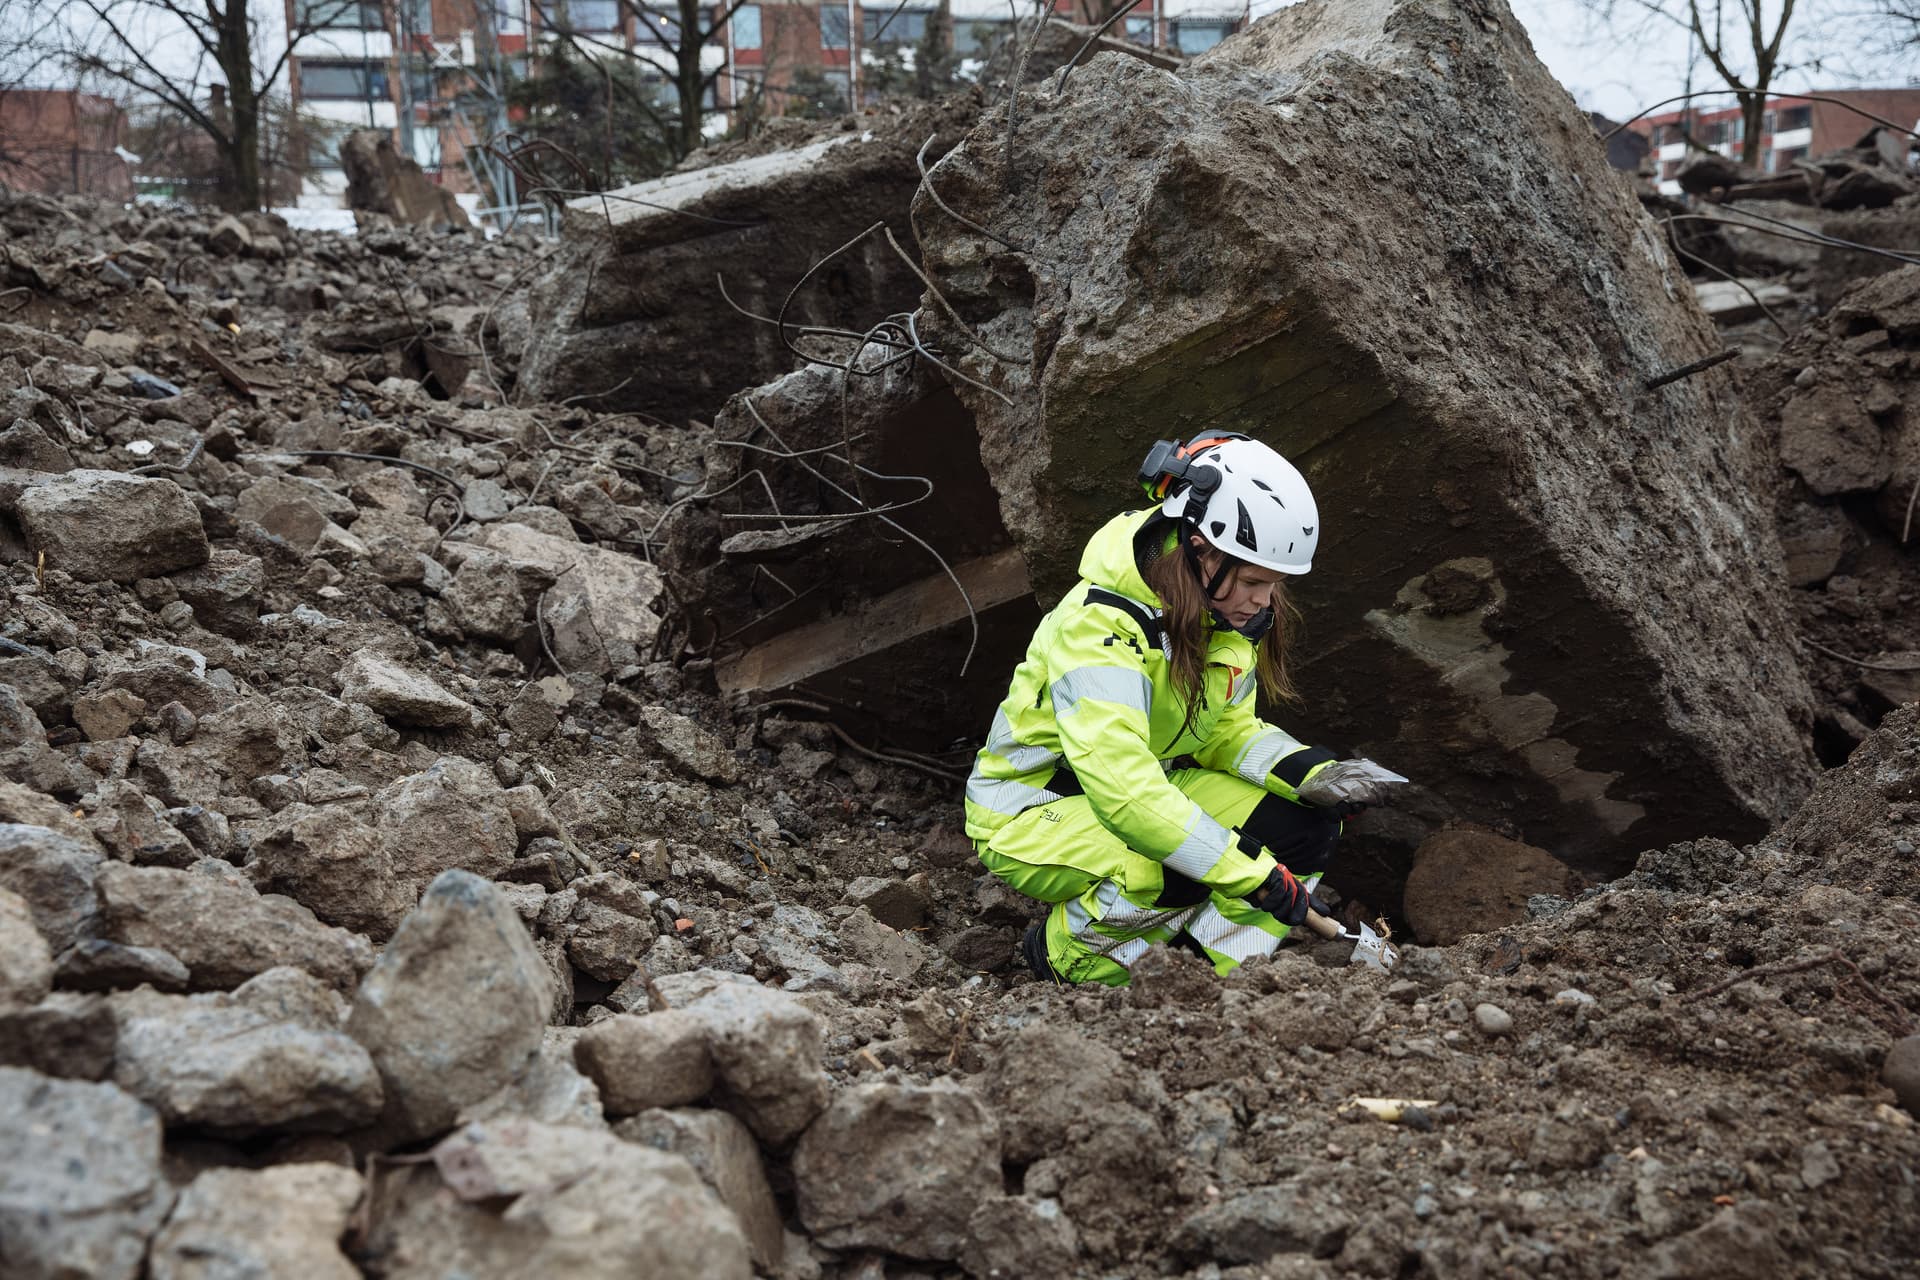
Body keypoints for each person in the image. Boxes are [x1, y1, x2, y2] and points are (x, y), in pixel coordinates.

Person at [963, 433, 1402, 986]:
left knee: (1303, 830)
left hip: (1152, 785)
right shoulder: (1099, 632)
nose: (1264, 601)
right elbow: (1126, 794)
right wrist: (1247, 871)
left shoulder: (1222, 614)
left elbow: (1223, 731)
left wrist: (1314, 776)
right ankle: (1073, 961)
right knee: (1174, 865)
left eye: (1274, 585)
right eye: (1254, 582)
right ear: (1201, 549)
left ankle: (1222, 970)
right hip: (1030, 808)